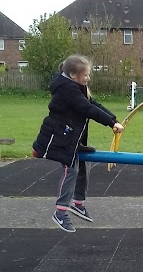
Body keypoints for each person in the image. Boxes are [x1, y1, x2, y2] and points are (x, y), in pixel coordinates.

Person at [33, 54, 124, 233]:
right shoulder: (67, 89)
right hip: (59, 137)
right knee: (71, 170)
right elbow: (86, 109)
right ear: (74, 75)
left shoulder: (78, 86)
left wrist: (114, 120)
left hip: (72, 138)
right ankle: (60, 212)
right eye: (86, 75)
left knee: (84, 165)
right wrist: (111, 124)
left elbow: (94, 104)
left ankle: (78, 204)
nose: (88, 78)